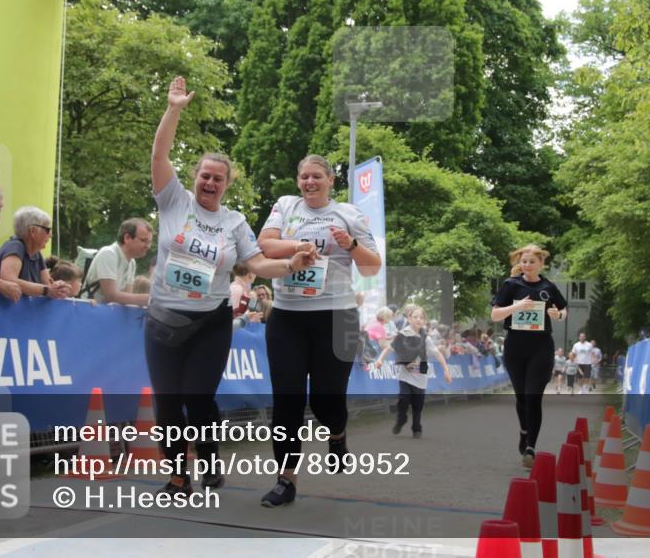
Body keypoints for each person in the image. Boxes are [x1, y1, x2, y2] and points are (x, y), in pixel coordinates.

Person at [147, 76, 315, 496]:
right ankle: (177, 474)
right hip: (164, 319)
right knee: (168, 403)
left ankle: (207, 460)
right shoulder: (174, 201)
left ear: (227, 184)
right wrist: (174, 108)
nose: (210, 183)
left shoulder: (234, 222)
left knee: (198, 397)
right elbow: (159, 153)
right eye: (205, 176)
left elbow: (257, 262)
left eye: (218, 179)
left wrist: (290, 263)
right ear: (195, 176)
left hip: (210, 322)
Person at [257, 153, 381, 507]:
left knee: (327, 399)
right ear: (298, 181)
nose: (309, 183)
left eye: (316, 177)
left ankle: (337, 435)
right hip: (287, 316)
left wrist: (351, 245)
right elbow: (265, 244)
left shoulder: (349, 215)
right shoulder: (286, 205)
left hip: (337, 316)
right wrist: (298, 246)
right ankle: (286, 479)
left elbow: (372, 268)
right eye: (304, 177)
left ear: (330, 181)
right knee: (287, 401)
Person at [490, 243, 567, 467]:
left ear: (541, 263)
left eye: (532, 262)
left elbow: (563, 310)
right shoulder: (510, 285)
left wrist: (557, 314)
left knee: (533, 396)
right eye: (523, 261)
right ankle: (524, 431)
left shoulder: (548, 287)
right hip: (515, 346)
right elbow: (495, 315)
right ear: (519, 263)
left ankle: (531, 447)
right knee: (522, 397)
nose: (527, 265)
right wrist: (517, 307)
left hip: (541, 346)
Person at [374, 305, 452, 437]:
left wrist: (446, 370)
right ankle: (401, 419)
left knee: (418, 405)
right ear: (409, 319)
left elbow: (438, 354)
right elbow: (389, 348)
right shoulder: (402, 335)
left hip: (420, 377)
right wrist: (380, 359)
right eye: (415, 317)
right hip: (405, 376)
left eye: (421, 317)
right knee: (403, 400)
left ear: (424, 320)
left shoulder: (425, 338)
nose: (418, 319)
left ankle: (416, 427)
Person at [0, 206, 73, 298]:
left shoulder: (37, 254)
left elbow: (48, 285)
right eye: (47, 230)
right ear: (33, 231)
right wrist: (46, 290)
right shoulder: (15, 246)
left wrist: (59, 287)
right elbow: (8, 280)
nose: (51, 235)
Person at [82, 218, 153, 306]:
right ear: (127, 238)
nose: (148, 246)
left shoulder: (131, 262)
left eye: (149, 242)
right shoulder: (108, 253)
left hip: (105, 314)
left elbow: (127, 298)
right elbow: (110, 296)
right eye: (143, 240)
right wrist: (150, 299)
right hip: (88, 312)